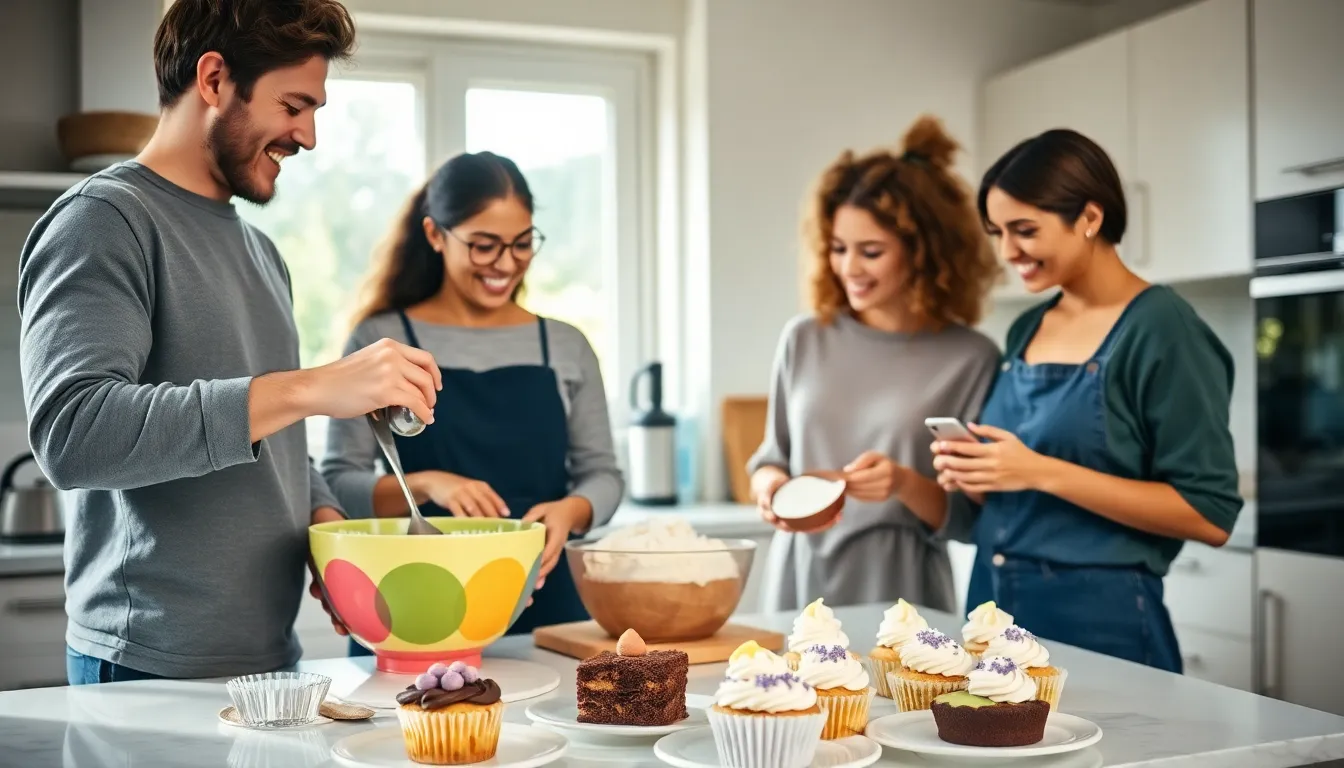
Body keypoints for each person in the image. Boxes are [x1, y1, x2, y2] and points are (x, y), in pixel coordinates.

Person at [18, 0, 443, 685]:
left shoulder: (261, 252)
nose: (307, 136)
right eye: (294, 105)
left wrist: (327, 530)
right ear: (214, 79)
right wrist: (314, 388)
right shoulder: (104, 222)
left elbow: (269, 432)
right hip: (146, 665)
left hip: (270, 661)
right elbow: (74, 434)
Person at [931, 128, 1242, 672]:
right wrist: (979, 473)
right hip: (991, 610)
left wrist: (1038, 471)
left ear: (1090, 218)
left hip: (1103, 621)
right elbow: (1026, 494)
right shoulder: (1027, 328)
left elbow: (1210, 514)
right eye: (997, 232)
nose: (1008, 252)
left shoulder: (1161, 328)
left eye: (1024, 230)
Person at [321, 150, 624, 655]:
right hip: (418, 602)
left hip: (545, 603)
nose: (506, 264)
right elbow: (337, 484)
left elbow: (605, 474)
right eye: (484, 246)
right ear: (436, 235)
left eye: (522, 244)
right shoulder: (382, 340)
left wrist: (573, 511)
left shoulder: (566, 345)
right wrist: (425, 484)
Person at [747, 115, 1003, 614]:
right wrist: (771, 490)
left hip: (903, 588)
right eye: (839, 248)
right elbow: (771, 456)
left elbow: (970, 519)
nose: (849, 268)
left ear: (924, 253)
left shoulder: (971, 358)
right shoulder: (805, 337)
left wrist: (903, 483)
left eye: (871, 251)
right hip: (799, 578)